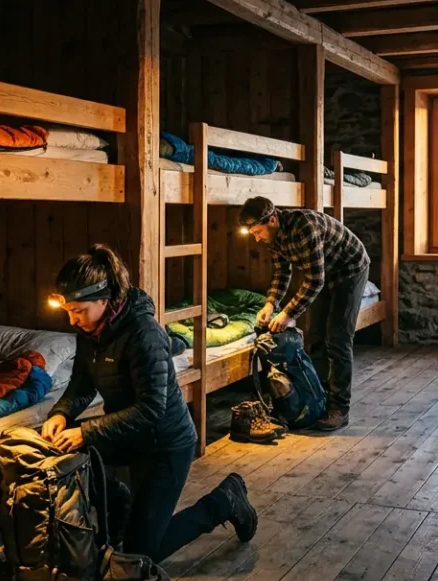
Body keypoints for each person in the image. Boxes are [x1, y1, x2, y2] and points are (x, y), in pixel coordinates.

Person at [40, 244, 257, 562]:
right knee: (65, 457)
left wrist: (86, 432)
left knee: (142, 553)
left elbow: (151, 409)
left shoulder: (144, 333)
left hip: (165, 445)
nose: (73, 320)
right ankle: (123, 506)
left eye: (79, 311)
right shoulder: (92, 331)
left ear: (104, 299)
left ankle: (225, 500)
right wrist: (61, 413)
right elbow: (83, 383)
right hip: (127, 437)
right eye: (69, 312)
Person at [239, 196, 370, 432]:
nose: (257, 238)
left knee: (338, 340)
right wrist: (270, 304)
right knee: (316, 336)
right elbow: (282, 273)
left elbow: (315, 280)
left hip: (349, 269)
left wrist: (288, 313)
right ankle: (317, 399)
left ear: (272, 220)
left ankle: (339, 409)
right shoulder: (274, 236)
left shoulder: (304, 227)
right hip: (323, 273)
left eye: (258, 232)